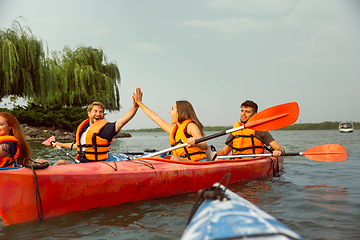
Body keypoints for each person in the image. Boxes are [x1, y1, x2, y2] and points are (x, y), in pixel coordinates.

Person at [37, 97, 140, 165]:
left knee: (60, 163)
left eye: (101, 112)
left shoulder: (105, 128)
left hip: (95, 164)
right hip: (81, 162)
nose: (98, 114)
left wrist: (135, 107)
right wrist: (61, 144)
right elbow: (79, 145)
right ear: (89, 113)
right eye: (95, 111)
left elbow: (122, 121)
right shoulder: (85, 128)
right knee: (39, 161)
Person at [133, 87, 210, 162]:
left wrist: (196, 141)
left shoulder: (190, 126)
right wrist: (139, 103)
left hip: (198, 162)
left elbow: (205, 145)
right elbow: (154, 117)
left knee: (174, 158)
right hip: (183, 162)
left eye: (172, 109)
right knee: (155, 157)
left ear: (179, 112)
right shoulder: (174, 129)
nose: (169, 111)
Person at [217, 100, 285, 158]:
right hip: (236, 162)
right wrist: (212, 155)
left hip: (254, 162)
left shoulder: (260, 131)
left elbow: (280, 148)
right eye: (242, 111)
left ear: (255, 114)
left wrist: (279, 152)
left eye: (247, 112)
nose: (243, 114)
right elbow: (224, 152)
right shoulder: (235, 130)